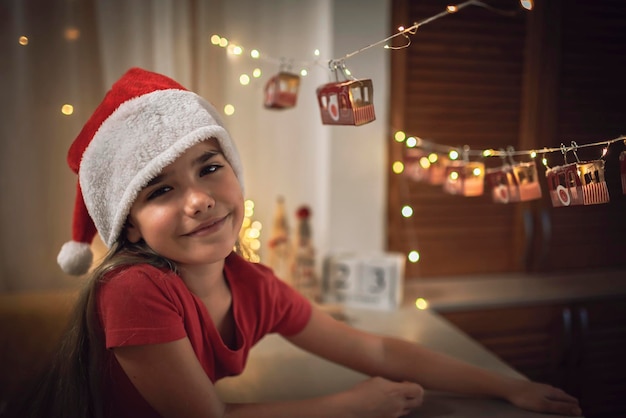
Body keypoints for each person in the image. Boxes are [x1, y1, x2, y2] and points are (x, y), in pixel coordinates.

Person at [5, 68, 582, 418]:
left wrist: (512, 387)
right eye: (160, 189)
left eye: (209, 168)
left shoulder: (254, 286)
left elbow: (378, 352)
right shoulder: (132, 288)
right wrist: (348, 408)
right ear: (129, 226)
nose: (199, 199)